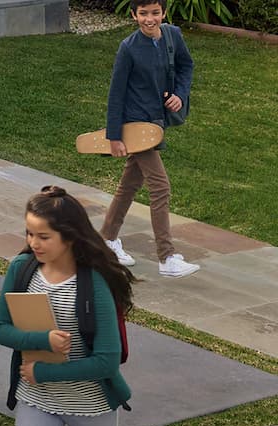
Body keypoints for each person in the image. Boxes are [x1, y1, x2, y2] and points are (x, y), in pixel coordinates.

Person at [0, 186, 143, 426]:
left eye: (43, 236)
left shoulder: (95, 284)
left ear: (69, 236)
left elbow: (106, 361)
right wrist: (42, 340)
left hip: (89, 405)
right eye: (29, 233)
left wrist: (45, 373)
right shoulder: (21, 269)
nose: (34, 243)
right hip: (36, 401)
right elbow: (0, 328)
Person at [100, 0, 198, 278]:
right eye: (143, 14)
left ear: (163, 13)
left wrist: (180, 94)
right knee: (160, 187)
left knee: (129, 185)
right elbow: (116, 93)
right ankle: (166, 257)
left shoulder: (173, 35)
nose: (149, 19)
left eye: (155, 13)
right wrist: (114, 136)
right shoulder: (128, 48)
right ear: (134, 15)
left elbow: (186, 66)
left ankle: (106, 240)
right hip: (136, 126)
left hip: (156, 123)